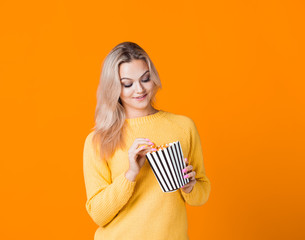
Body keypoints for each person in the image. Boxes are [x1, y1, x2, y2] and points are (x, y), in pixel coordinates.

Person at [83, 41, 211, 240]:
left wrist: (190, 186)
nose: (139, 89)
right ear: (114, 87)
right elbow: (98, 214)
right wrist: (131, 173)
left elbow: (202, 192)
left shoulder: (183, 127)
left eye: (145, 79)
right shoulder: (99, 140)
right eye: (127, 84)